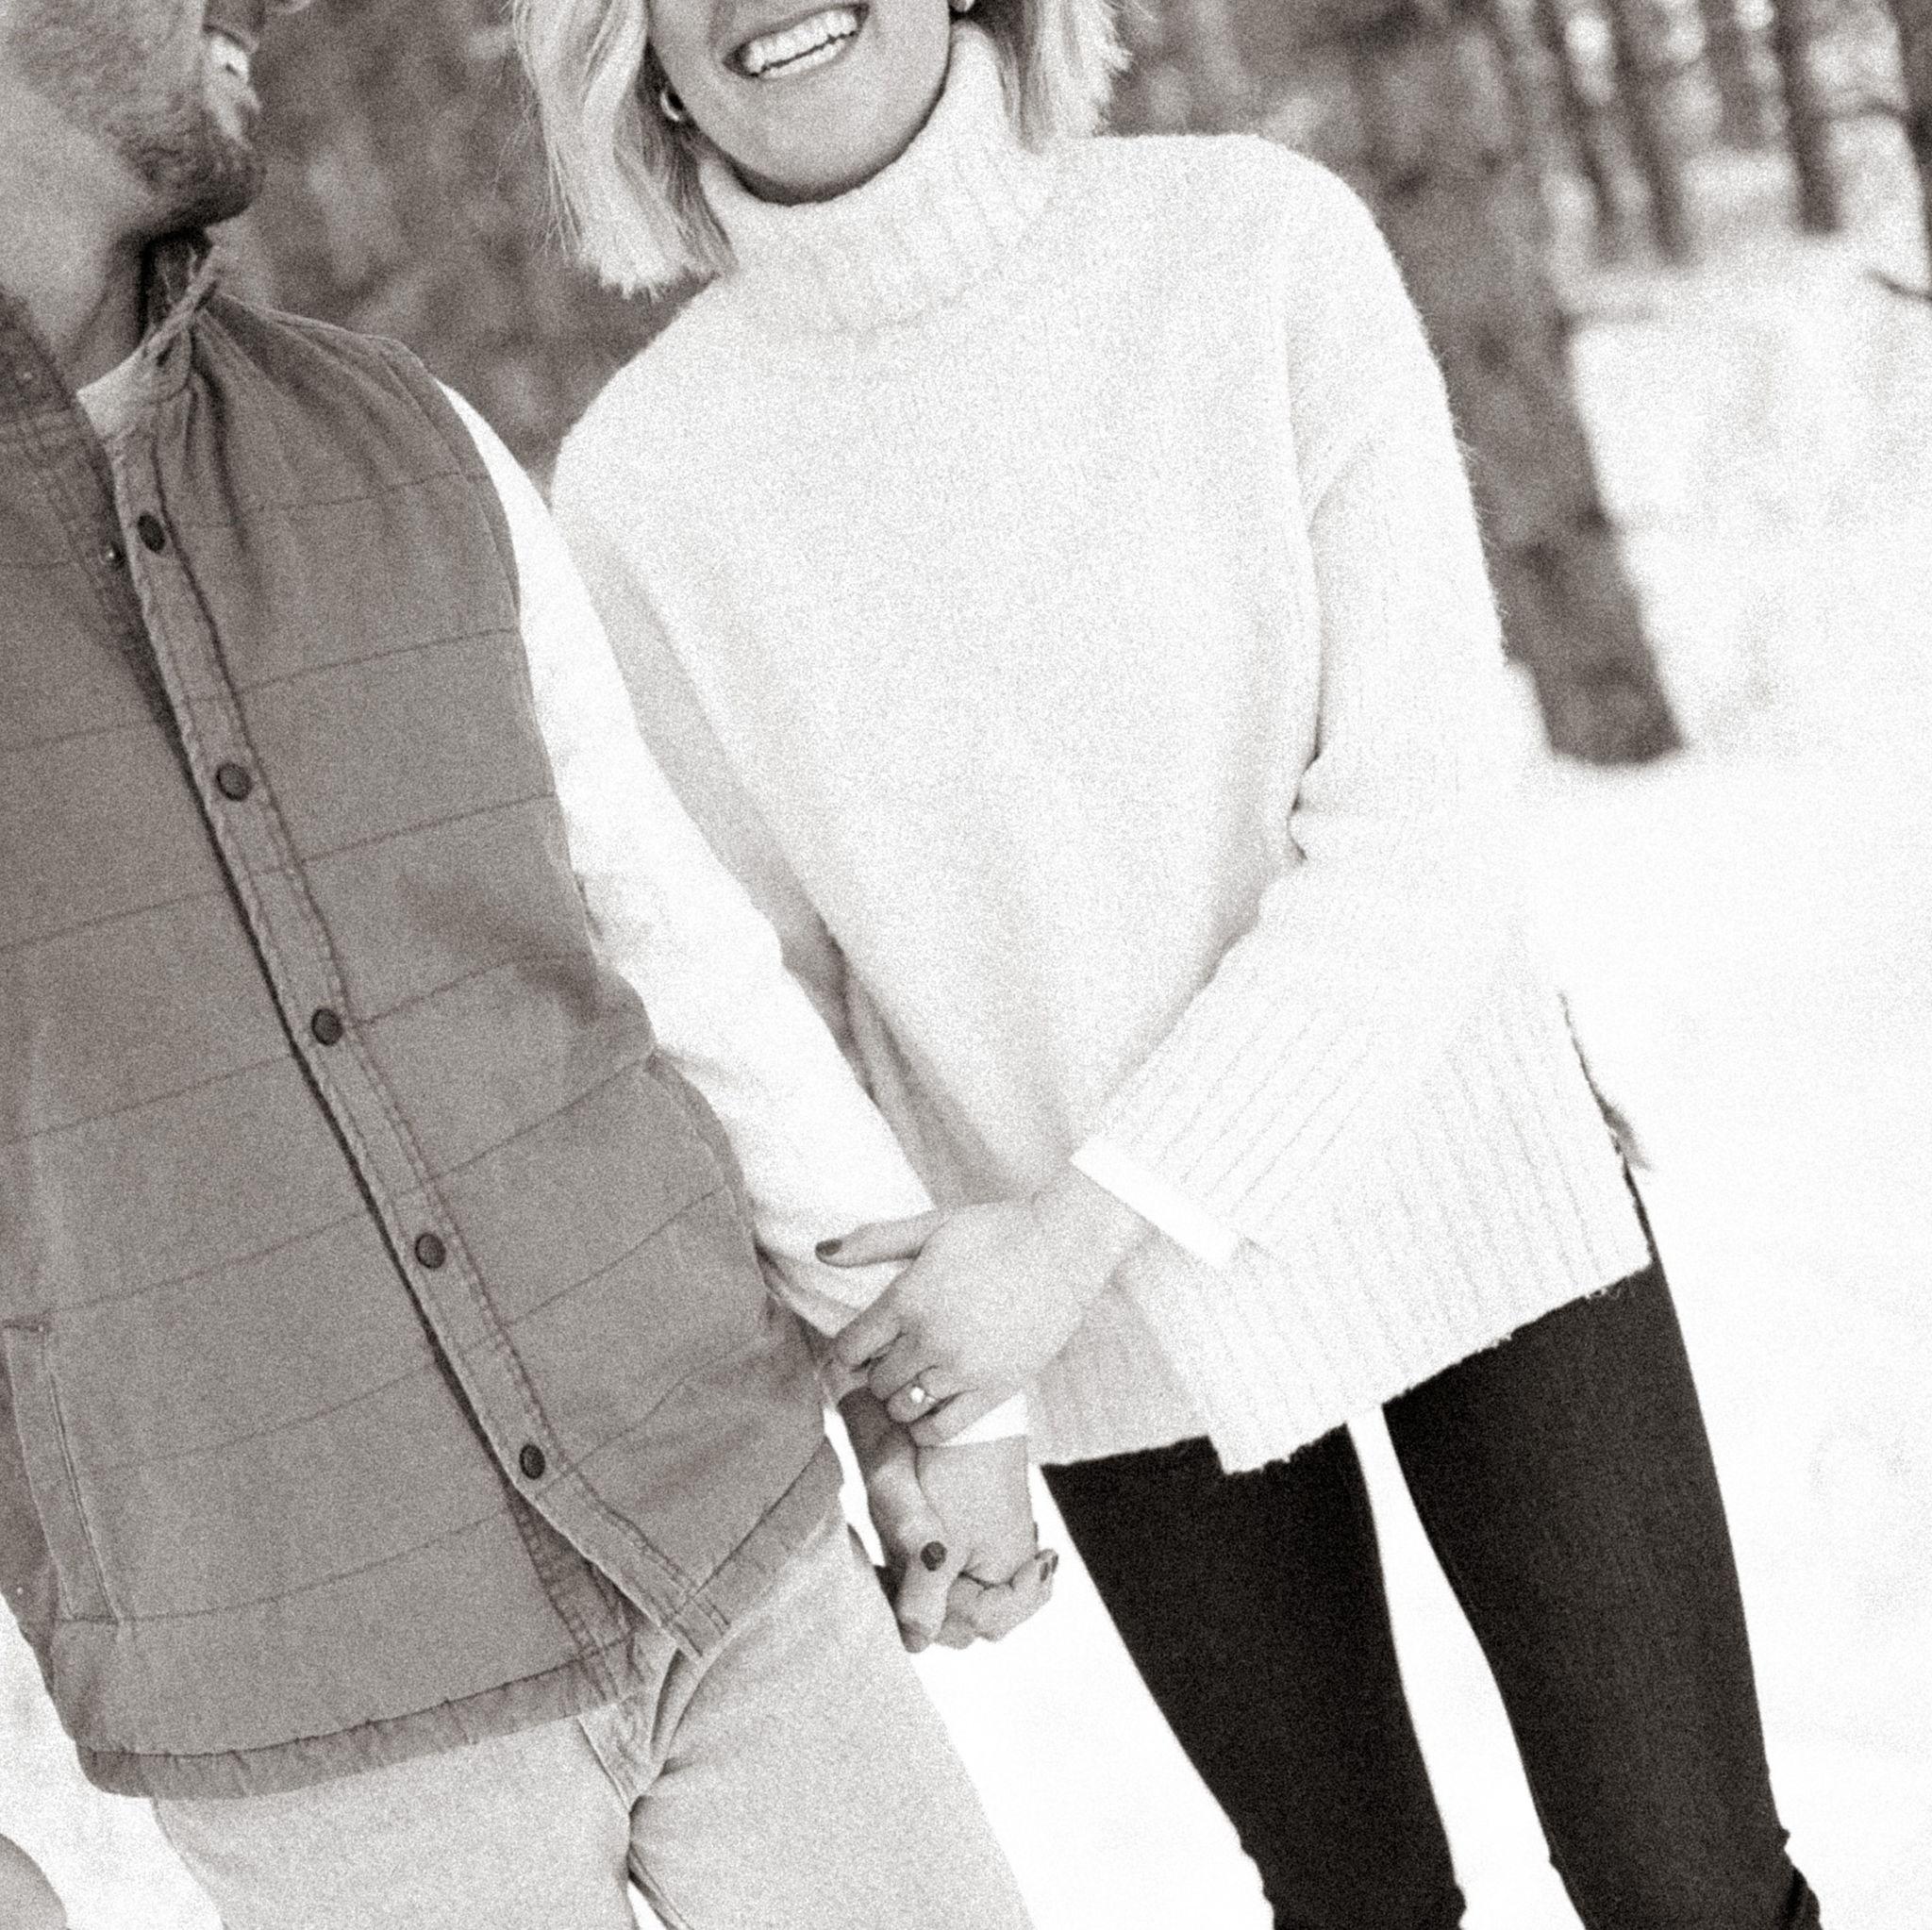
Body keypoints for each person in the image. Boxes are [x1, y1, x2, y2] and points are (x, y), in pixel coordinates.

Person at [527, 0, 1824, 1923]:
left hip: (1454, 1185)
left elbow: (1420, 833)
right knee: (1351, 1902)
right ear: (624, 49)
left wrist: (1079, 1231)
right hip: (1094, 1346)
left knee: (1690, 1885)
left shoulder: (1254, 247)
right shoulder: (643, 486)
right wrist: (932, 1409)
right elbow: (769, 1020)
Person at [0, 2, 1054, 1925]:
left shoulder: (405, 439)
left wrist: (934, 1397)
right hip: (326, 1720)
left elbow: (673, 951)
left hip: (731, 1557)